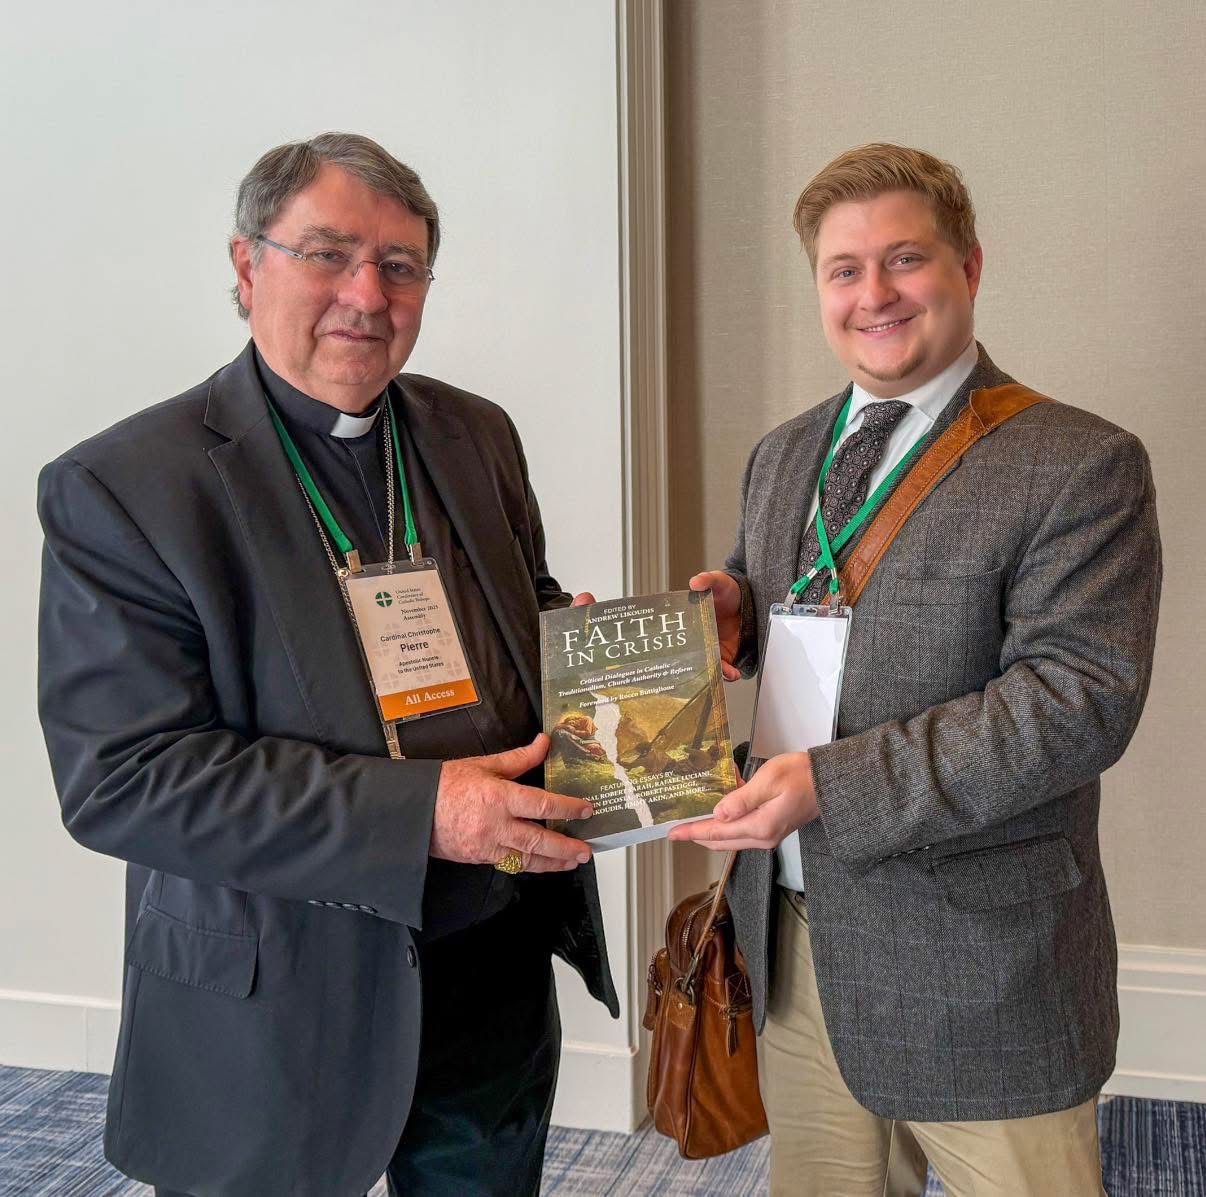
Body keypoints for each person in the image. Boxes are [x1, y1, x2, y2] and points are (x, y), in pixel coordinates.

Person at [36, 132, 617, 1197]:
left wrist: (602, 661)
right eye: (327, 254)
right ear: (247, 265)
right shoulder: (126, 486)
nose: (367, 293)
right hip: (270, 995)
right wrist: (425, 813)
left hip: (484, 971)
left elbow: (516, 611)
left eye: (400, 266)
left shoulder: (472, 433)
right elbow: (124, 779)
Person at [674, 143, 1160, 1196]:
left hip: (983, 957)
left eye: (905, 260)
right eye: (845, 270)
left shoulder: (1079, 463)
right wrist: (730, 618)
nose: (874, 295)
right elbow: (809, 608)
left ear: (969, 268)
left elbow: (1076, 704)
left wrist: (827, 786)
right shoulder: (784, 452)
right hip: (799, 934)